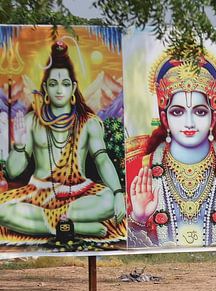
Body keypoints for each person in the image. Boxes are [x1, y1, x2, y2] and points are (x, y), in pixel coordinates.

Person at [0, 41, 125, 245]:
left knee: (108, 202)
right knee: (1, 210)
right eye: (53, 84)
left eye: (65, 84)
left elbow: (102, 160)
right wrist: (20, 145)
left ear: (74, 87)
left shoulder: (89, 122)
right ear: (45, 89)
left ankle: (50, 226)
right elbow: (13, 172)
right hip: (39, 194)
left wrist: (118, 192)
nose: (60, 90)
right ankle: (76, 227)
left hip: (79, 192)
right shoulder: (33, 121)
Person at [127, 53, 216, 247]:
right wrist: (139, 217)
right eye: (177, 112)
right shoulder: (140, 170)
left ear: (212, 119)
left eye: (199, 112)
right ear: (164, 119)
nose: (189, 123)